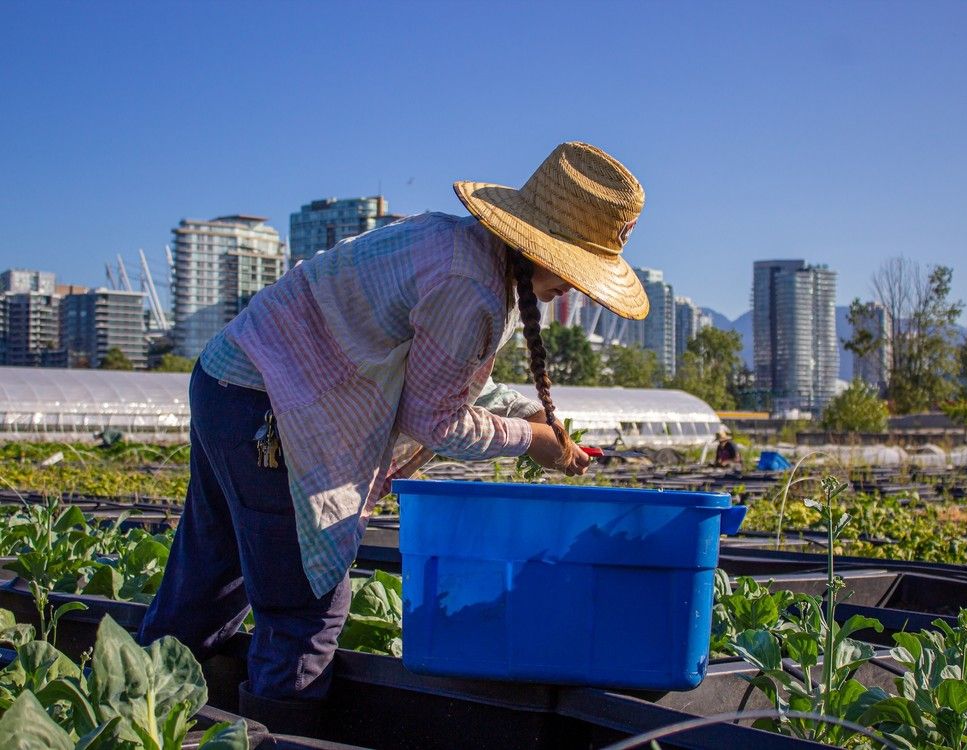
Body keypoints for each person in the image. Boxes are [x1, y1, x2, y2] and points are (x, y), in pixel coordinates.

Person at [137, 141, 649, 730]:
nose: (577, 290)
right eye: (577, 272)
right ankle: (273, 735)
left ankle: (134, 713)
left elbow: (441, 374)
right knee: (307, 613)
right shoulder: (471, 285)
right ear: (543, 246)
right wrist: (530, 441)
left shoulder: (463, 247)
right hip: (270, 409)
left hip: (232, 379)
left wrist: (530, 416)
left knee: (208, 579)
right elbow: (435, 421)